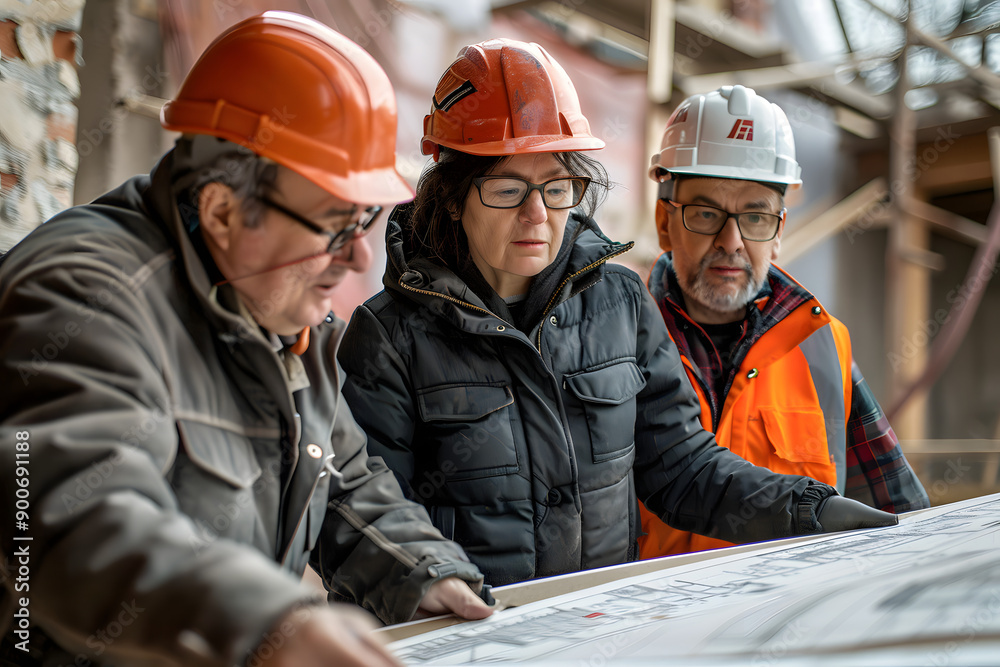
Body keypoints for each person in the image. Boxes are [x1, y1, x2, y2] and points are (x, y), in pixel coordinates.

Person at [0, 12, 492, 667]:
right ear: (223, 211)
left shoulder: (284, 311)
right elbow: (70, 521)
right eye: (335, 225)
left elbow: (344, 483)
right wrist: (265, 623)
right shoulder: (84, 295)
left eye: (366, 219)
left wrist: (425, 573)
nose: (357, 257)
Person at [337, 39, 899, 589]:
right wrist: (428, 582)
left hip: (602, 630)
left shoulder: (618, 303)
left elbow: (682, 467)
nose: (537, 214)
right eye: (507, 189)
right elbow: (362, 510)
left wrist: (805, 509)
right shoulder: (390, 335)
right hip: (467, 632)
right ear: (451, 199)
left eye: (557, 187)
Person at [638, 84, 930, 559]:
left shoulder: (823, 345)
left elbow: (899, 511)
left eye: (756, 217)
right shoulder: (615, 343)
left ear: (778, 232)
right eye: (706, 213)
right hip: (649, 606)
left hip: (792, 607)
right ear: (663, 221)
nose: (732, 240)